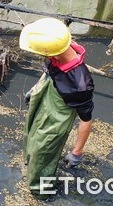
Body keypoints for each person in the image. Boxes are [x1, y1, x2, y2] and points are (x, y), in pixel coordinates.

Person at [19, 17, 94, 196]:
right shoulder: (60, 49)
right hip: (47, 97)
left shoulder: (79, 84)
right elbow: (48, 71)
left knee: (44, 151)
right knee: (31, 134)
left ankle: (41, 192)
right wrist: (35, 88)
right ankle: (32, 162)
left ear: (52, 54)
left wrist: (77, 151)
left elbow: (86, 119)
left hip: (58, 118)